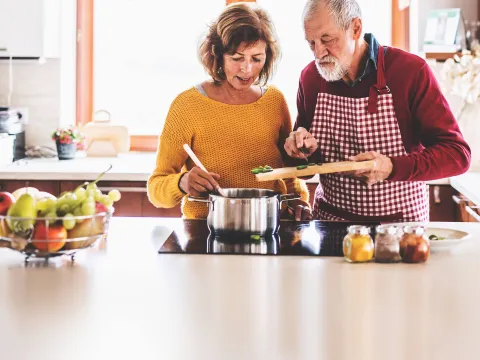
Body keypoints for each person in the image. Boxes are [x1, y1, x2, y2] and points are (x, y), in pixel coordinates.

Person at [284, 0, 471, 222]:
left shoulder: (410, 72)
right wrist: (300, 151)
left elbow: (457, 155)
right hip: (330, 226)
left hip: (400, 228)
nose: (318, 53)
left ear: (355, 28)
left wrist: (392, 167)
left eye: (327, 39)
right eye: (311, 43)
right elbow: (306, 170)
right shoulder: (311, 78)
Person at [148, 3, 311, 220]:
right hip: (207, 232)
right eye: (236, 58)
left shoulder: (274, 101)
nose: (247, 69)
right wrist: (181, 182)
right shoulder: (187, 105)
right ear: (218, 55)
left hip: (269, 225)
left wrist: (298, 200)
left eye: (256, 58)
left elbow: (289, 173)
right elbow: (156, 189)